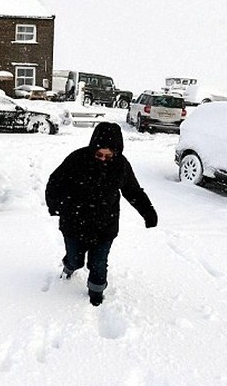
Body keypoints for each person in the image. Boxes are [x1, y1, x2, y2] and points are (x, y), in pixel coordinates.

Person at [45, 122, 158, 306]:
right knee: (75, 259)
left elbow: (133, 191)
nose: (104, 159)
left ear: (116, 152)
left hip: (104, 226)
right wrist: (56, 205)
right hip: (74, 222)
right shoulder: (77, 159)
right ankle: (69, 266)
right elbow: (55, 182)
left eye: (109, 155)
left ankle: (96, 293)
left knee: (98, 264)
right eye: (99, 155)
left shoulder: (121, 166)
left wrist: (148, 212)